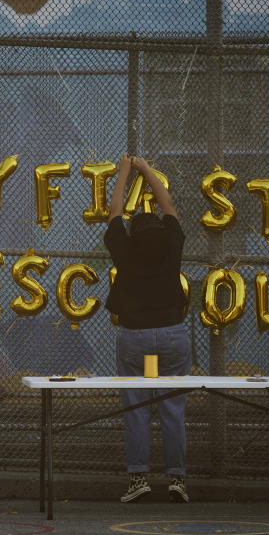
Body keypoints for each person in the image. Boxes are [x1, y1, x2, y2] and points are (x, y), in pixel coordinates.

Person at [103, 153, 191, 503]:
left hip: (135, 337)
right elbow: (168, 204)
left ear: (134, 232)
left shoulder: (125, 248)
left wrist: (124, 171)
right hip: (171, 335)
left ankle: (138, 477)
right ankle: (177, 479)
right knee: (172, 409)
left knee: (136, 408)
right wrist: (145, 169)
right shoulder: (171, 244)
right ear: (160, 228)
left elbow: (114, 213)